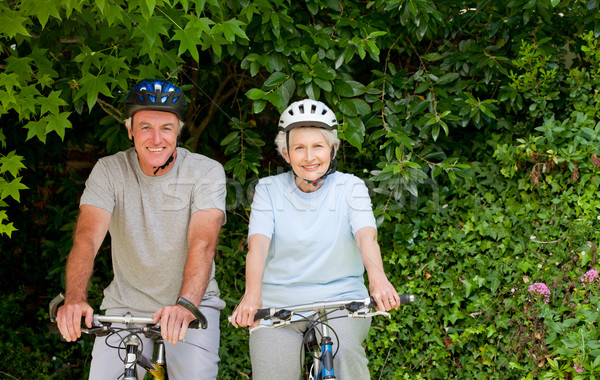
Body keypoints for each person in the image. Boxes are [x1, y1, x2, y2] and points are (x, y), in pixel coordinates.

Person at [55, 79, 227, 379]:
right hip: (126, 306)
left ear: (179, 132)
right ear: (130, 130)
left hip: (192, 305)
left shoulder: (205, 172)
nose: (156, 138)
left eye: (167, 128)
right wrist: (74, 299)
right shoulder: (109, 171)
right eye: (145, 126)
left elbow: (203, 243)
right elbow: (86, 239)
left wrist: (186, 305)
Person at [230, 99, 400, 379]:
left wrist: (378, 280)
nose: (309, 157)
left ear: (332, 149)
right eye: (299, 147)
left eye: (318, 146)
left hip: (342, 302)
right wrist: (252, 295)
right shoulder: (268, 190)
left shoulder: (351, 187)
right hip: (279, 305)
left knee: (345, 356)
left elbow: (366, 237)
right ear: (286, 154)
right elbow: (257, 246)